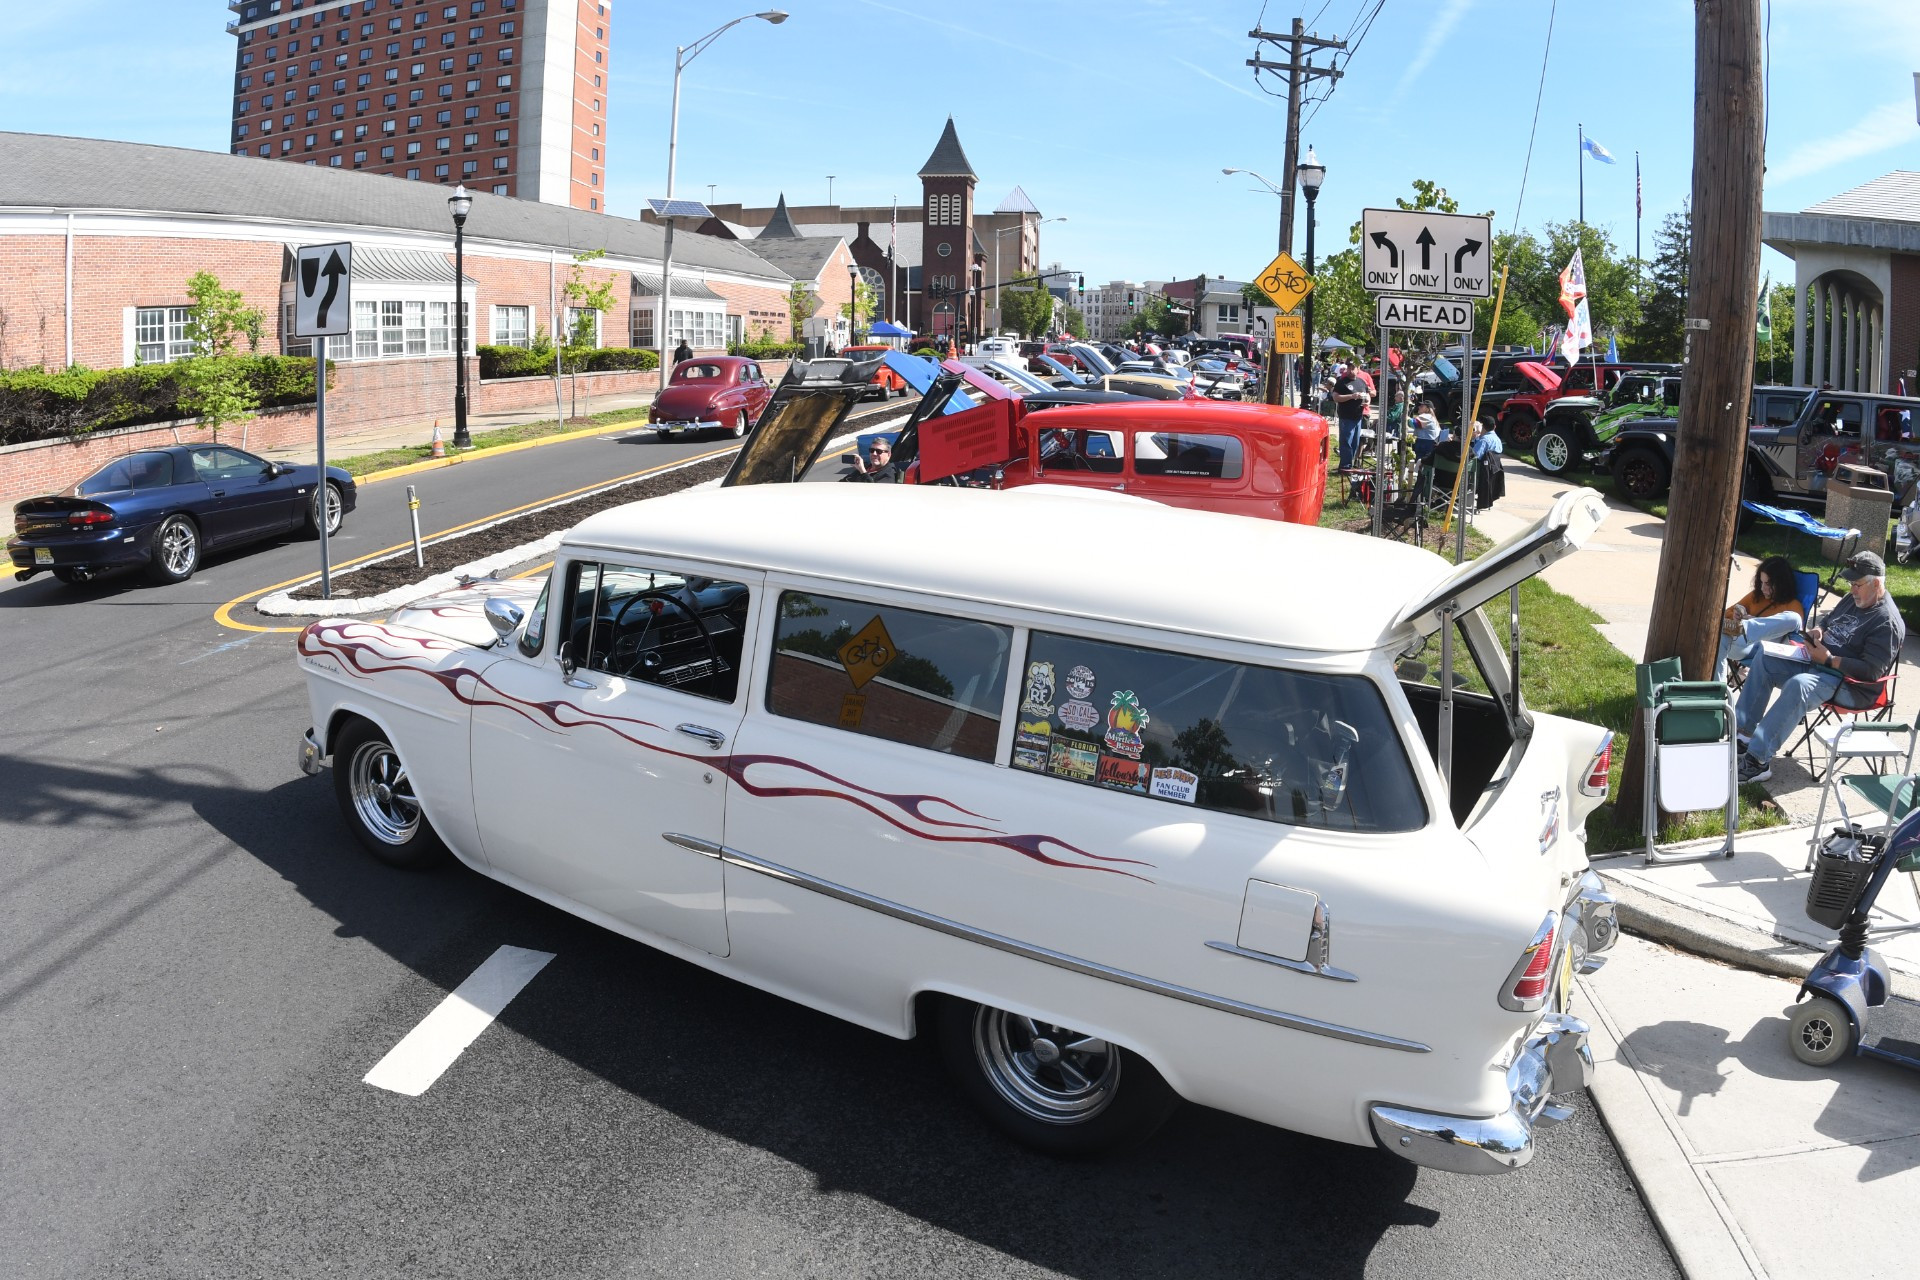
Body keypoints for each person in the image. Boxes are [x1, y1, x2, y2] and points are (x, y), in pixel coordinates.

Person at [1734, 551, 1905, 783]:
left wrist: (1829, 659)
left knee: (1798, 686)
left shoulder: (1887, 622)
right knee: (1765, 655)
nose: (1852, 589)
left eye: (1857, 584)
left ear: (1876, 583)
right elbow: (1828, 620)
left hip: (1849, 684)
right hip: (1817, 662)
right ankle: (1743, 736)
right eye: (1851, 583)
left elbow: (1871, 672)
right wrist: (1819, 631)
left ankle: (1757, 761)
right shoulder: (1853, 599)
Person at [1715, 555, 1803, 680]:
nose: (1762, 588)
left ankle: (1746, 628)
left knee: (1793, 618)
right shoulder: (1756, 596)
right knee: (1719, 638)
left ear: (1781, 584)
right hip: (1741, 644)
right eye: (1761, 582)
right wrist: (1735, 616)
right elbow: (1727, 612)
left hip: (1766, 650)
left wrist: (1753, 620)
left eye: (1768, 584)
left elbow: (1796, 640)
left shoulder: (1793, 606)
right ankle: (1717, 689)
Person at [1331, 361, 1370, 471]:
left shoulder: (1361, 382)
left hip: (1358, 416)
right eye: (1349, 368)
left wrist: (1367, 401)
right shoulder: (1342, 382)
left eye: (1353, 368)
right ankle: (1345, 466)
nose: (1351, 370)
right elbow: (1335, 397)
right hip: (1346, 416)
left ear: (1358, 369)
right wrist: (1351, 396)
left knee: (1355, 442)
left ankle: (1350, 464)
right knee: (1346, 441)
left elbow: (1368, 394)